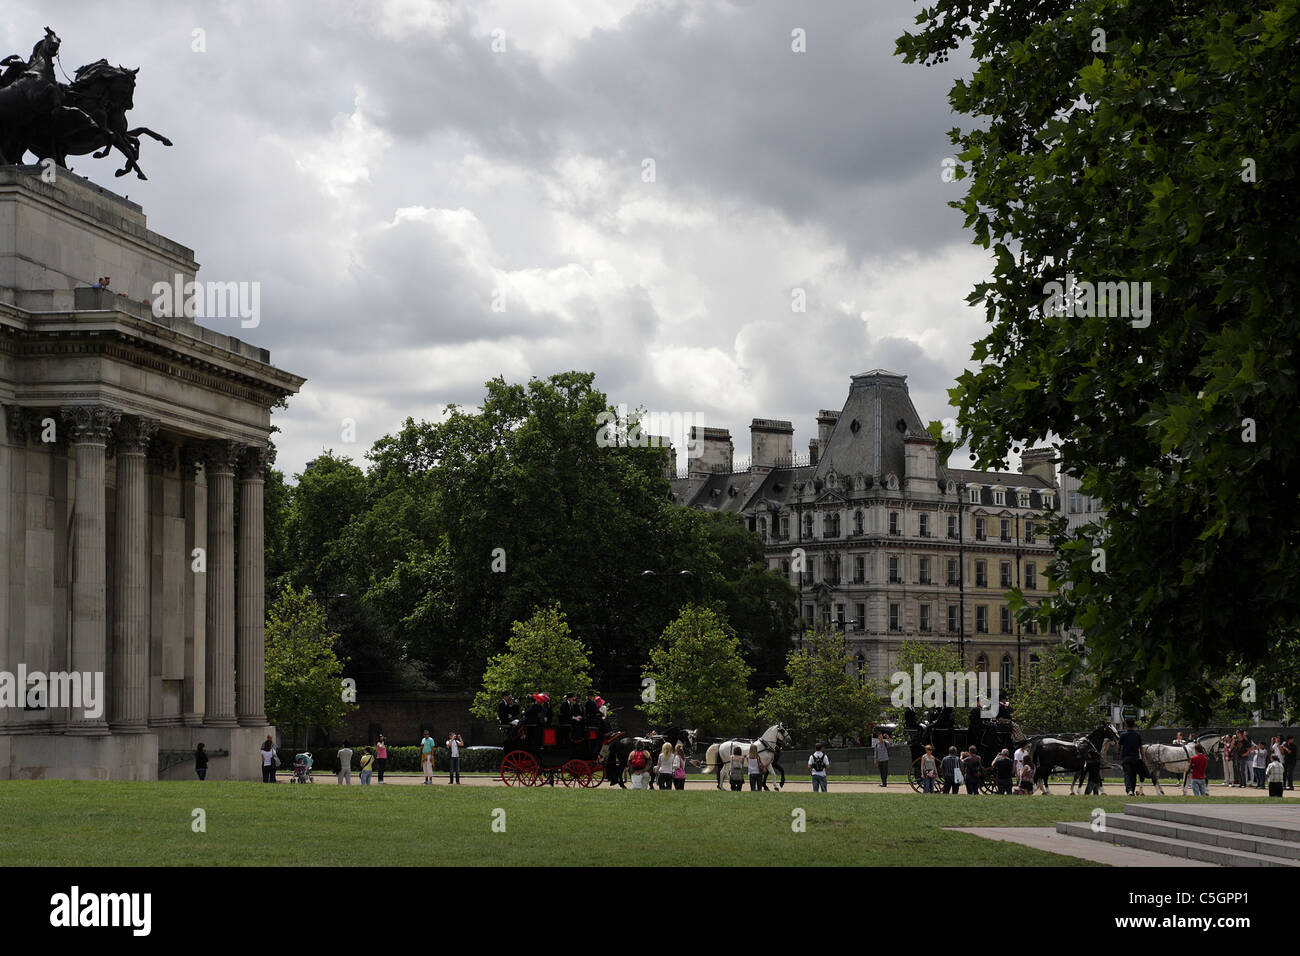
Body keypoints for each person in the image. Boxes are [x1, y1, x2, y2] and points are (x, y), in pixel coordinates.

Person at [1118, 719, 1143, 796]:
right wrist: (1143, 758)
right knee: (1134, 775)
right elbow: (1141, 747)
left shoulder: (1123, 735)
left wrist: (1119, 753)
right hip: (1135, 758)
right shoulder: (1137, 735)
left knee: (1127, 775)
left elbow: (1118, 747)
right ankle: (1132, 789)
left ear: (1126, 725)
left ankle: (1129, 790)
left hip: (1126, 758)